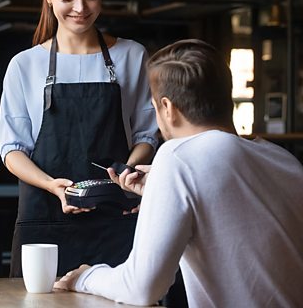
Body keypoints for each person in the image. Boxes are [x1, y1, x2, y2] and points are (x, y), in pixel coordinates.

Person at [54, 39, 303, 306]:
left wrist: (85, 277)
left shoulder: (177, 156)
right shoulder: (284, 160)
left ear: (168, 108)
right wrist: (159, 192)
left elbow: (141, 288)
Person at [0, 0, 158, 277]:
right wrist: (52, 186)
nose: (81, 8)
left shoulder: (132, 56)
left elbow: (146, 135)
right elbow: (12, 150)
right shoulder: (25, 65)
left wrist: (124, 175)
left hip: (116, 215)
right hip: (45, 219)